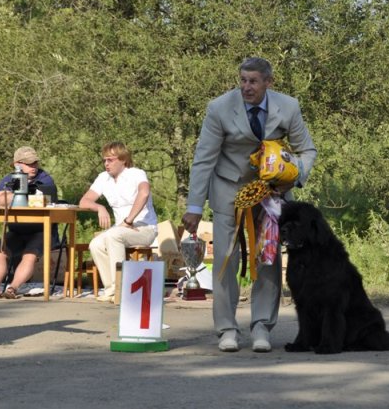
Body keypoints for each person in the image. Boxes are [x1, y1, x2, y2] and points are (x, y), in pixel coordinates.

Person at [182, 57, 317, 352]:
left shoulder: (289, 106)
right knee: (225, 261)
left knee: (267, 258)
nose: (246, 87)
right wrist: (194, 207)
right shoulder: (219, 108)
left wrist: (292, 176)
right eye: (242, 80)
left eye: (253, 81)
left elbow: (307, 150)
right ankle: (227, 329)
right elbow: (204, 158)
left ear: (269, 82)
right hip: (228, 189)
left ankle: (261, 328)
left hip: (271, 193)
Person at [79, 142, 158, 303]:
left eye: (110, 160)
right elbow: (84, 201)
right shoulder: (103, 178)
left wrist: (129, 220)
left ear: (123, 160)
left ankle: (120, 288)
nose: (106, 164)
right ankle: (110, 289)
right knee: (96, 244)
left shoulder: (136, 174)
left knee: (113, 235)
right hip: (121, 229)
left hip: (144, 228)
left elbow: (144, 193)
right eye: (104, 160)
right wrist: (99, 207)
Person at [0, 146, 59, 299]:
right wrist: (13, 192)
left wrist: (13, 194)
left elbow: (47, 196)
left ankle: (12, 288)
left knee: (30, 254)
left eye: (35, 163)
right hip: (17, 231)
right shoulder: (9, 178)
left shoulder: (44, 178)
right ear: (17, 164)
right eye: (29, 163)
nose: (34, 167)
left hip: (41, 231)